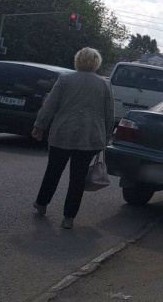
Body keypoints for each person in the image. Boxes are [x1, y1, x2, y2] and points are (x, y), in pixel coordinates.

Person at [31, 47, 115, 229]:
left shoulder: (65, 79)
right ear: (96, 63)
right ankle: (69, 217)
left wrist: (39, 125)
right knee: (78, 178)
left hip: (62, 133)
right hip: (89, 137)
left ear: (77, 61)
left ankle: (41, 204)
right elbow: (109, 114)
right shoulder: (104, 84)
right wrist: (106, 135)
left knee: (53, 170)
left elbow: (50, 105)